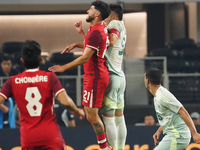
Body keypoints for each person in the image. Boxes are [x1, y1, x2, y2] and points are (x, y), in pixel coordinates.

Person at [48, 1, 111, 150]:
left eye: (91, 9)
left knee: (92, 116)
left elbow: (85, 57)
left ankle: (104, 148)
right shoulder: (96, 28)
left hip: (95, 76)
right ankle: (105, 146)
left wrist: (63, 67)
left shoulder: (96, 31)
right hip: (95, 74)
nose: (88, 10)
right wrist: (79, 40)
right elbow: (93, 45)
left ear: (97, 14)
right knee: (91, 115)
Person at [0, 40, 85, 150]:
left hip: (28, 138)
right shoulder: (50, 77)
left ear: (22, 61)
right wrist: (78, 111)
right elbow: (65, 101)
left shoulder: (12, 81)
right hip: (50, 136)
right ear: (40, 60)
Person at [144, 68, 200, 150]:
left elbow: (182, 111)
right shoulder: (159, 95)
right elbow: (169, 117)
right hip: (175, 135)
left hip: (178, 136)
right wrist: (159, 131)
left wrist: (194, 133)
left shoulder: (162, 96)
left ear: (148, 81)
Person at [100, 4, 127, 150]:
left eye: (107, 16)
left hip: (111, 76)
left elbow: (112, 41)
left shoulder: (115, 23)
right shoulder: (123, 25)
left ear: (114, 16)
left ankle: (113, 148)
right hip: (120, 76)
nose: (105, 19)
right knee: (119, 118)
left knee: (108, 119)